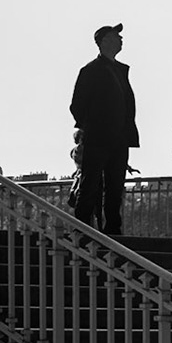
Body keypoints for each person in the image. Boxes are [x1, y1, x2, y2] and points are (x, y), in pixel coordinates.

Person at [70, 23, 138, 235]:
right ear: (105, 41)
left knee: (114, 188)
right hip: (100, 138)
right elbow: (77, 105)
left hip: (117, 139)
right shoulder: (91, 71)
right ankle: (83, 229)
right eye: (116, 36)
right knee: (91, 186)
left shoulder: (118, 70)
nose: (121, 39)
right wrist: (93, 127)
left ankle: (112, 230)